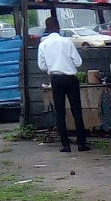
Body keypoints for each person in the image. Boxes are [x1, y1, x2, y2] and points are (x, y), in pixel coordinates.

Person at [36, 15, 89, 152]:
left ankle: (65, 145)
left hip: (56, 79)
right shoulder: (67, 42)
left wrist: (53, 66)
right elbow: (78, 62)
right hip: (70, 79)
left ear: (47, 28)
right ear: (58, 26)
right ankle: (81, 144)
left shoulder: (43, 45)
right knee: (76, 111)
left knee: (59, 112)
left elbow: (42, 66)